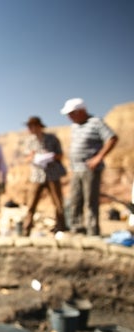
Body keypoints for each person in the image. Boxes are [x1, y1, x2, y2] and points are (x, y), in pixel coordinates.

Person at [60, 98, 118, 236]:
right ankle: (77, 229)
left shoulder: (96, 122)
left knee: (90, 200)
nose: (69, 117)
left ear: (81, 111)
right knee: (75, 199)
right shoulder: (74, 127)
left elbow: (112, 138)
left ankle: (92, 231)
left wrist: (98, 157)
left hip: (90, 169)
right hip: (76, 169)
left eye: (72, 113)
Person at [21, 116, 67, 236]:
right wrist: (33, 157)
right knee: (31, 204)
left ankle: (61, 228)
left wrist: (50, 156)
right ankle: (26, 229)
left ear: (39, 126)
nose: (30, 129)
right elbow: (26, 158)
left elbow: (60, 155)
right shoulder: (29, 141)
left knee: (58, 203)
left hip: (52, 174)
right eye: (29, 127)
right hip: (37, 176)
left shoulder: (52, 139)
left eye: (32, 126)